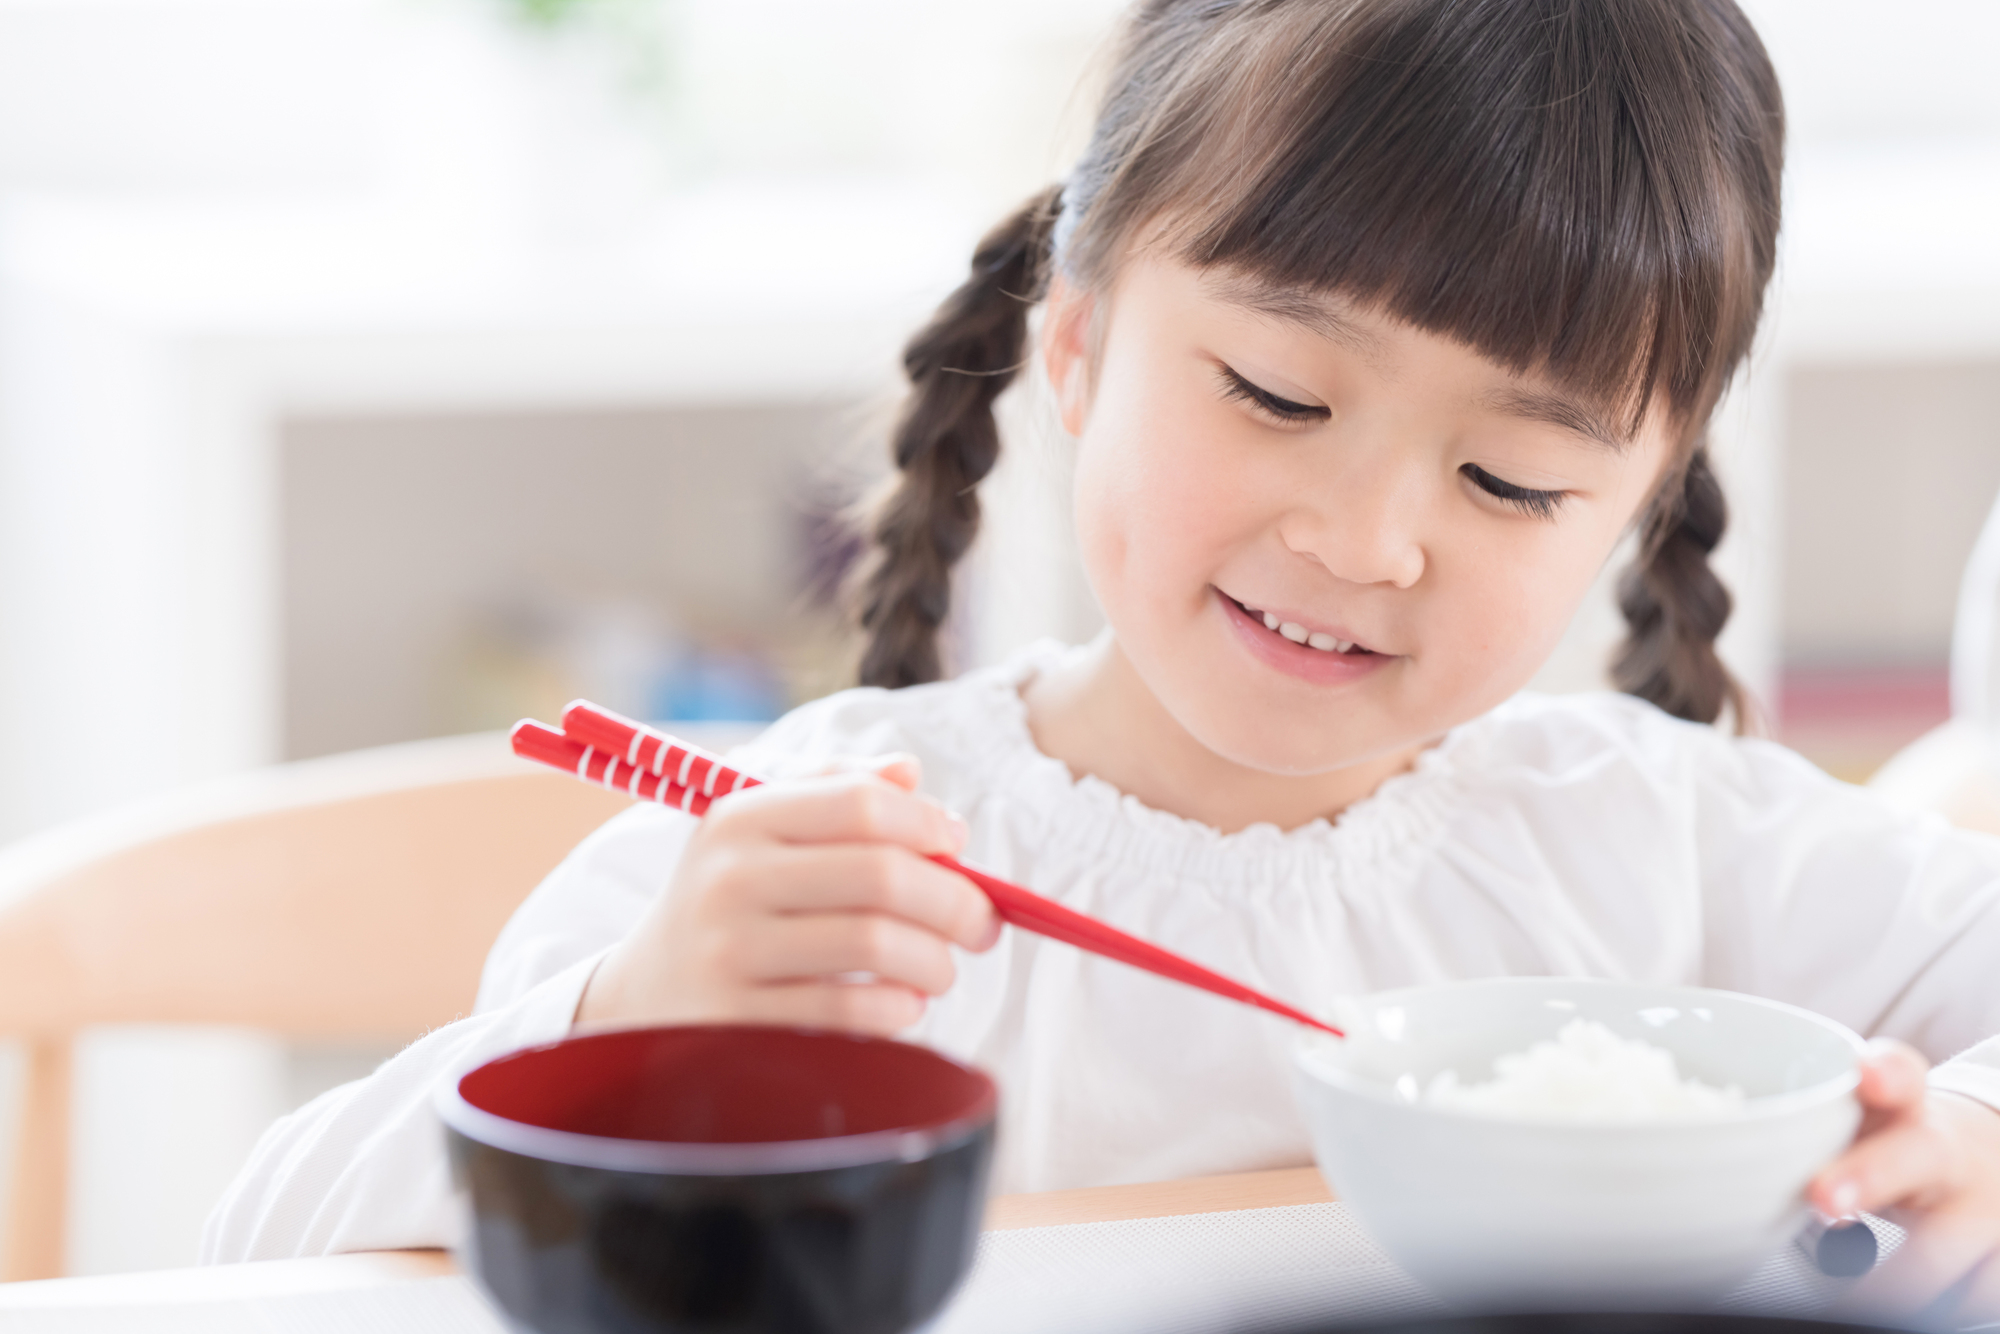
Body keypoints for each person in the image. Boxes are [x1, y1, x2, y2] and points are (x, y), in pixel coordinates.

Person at [205, 0, 2000, 1319]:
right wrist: (645, 1019)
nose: (1368, 540)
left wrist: (1974, 1124)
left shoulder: (1660, 840)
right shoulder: (811, 850)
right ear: (1073, 349)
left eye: (1511, 477)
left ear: (1639, 498)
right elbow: (263, 1262)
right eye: (1280, 394)